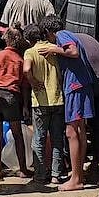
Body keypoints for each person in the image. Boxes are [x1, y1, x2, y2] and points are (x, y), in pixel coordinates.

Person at [39, 15, 94, 191]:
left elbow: (73, 52)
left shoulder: (61, 35)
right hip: (82, 85)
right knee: (80, 130)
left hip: (75, 86)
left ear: (49, 32)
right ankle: (78, 173)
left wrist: (54, 50)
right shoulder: (70, 34)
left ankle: (76, 180)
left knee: (71, 132)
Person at [0, 25, 32, 181]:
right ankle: (23, 169)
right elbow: (25, 86)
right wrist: (25, 106)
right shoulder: (19, 59)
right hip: (12, 96)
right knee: (17, 134)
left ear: (5, 39)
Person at [22, 23, 65, 185]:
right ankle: (56, 175)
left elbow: (26, 70)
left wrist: (33, 82)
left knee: (39, 139)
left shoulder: (30, 52)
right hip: (58, 99)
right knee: (57, 139)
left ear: (28, 40)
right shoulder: (53, 48)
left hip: (40, 101)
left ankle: (40, 175)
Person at [74, 32, 99, 175]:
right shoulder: (82, 37)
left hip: (91, 77)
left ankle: (76, 161)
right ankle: (97, 160)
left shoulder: (63, 42)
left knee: (77, 121)